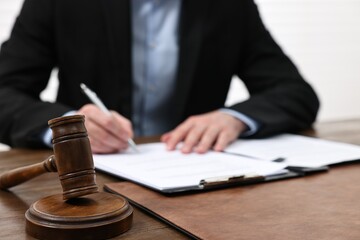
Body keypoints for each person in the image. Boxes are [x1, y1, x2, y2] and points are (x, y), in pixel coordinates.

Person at [0, 0, 319, 154]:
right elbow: (4, 91)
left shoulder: (229, 6)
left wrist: (232, 118)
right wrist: (67, 127)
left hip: (194, 179)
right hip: (84, 184)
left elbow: (295, 92)